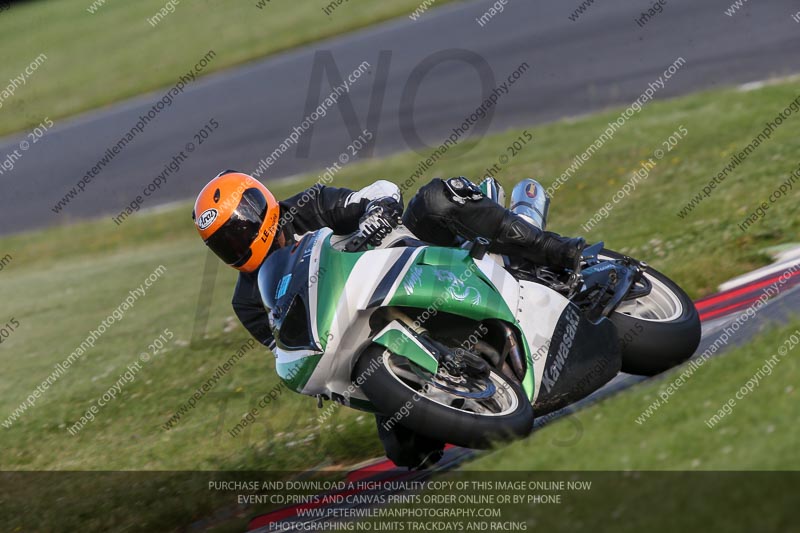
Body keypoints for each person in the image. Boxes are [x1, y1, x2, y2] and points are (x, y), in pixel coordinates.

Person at [192, 171, 584, 468]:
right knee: (407, 451)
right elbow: (285, 345)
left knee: (436, 198)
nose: (236, 244)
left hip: (410, 257)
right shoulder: (246, 301)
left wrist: (375, 214)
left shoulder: (308, 207)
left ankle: (554, 249)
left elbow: (379, 192)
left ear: (259, 208)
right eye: (224, 242)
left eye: (239, 229)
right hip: (364, 334)